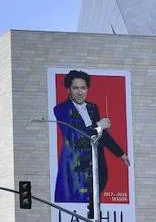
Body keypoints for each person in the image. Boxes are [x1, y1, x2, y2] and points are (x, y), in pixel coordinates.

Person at [53, 70, 131, 206]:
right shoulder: (61, 109)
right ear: (68, 89)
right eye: (75, 88)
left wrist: (121, 153)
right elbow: (74, 135)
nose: (79, 92)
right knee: (78, 204)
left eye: (83, 88)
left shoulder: (92, 107)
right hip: (75, 166)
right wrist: (98, 125)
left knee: (94, 206)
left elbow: (102, 135)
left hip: (96, 163)